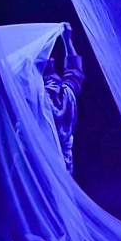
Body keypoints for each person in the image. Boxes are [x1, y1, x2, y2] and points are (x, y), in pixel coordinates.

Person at [39, 22, 84, 174]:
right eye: (46, 59)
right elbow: (75, 72)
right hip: (63, 166)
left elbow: (74, 73)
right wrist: (67, 40)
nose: (52, 59)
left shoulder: (38, 100)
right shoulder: (66, 96)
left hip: (42, 168)